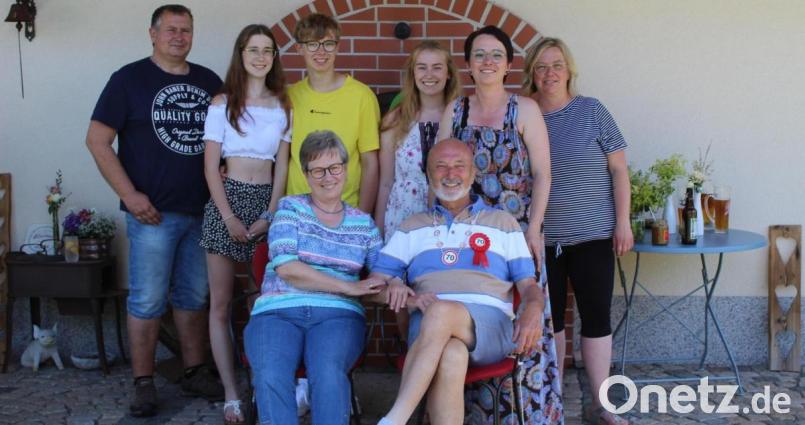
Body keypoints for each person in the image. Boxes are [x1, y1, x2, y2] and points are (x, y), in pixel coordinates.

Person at [85, 4, 223, 417]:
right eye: (171, 29)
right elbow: (96, 140)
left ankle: (194, 370)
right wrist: (129, 195)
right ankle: (143, 382)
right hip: (152, 215)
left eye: (186, 30)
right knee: (146, 301)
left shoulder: (208, 81)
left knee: (193, 297)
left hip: (202, 211)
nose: (179, 36)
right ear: (152, 33)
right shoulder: (127, 80)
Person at [371, 139, 552, 425]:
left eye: (459, 166)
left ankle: (395, 418)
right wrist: (399, 292)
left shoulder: (503, 222)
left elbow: (528, 286)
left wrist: (532, 309)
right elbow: (372, 289)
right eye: (441, 166)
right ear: (429, 175)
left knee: (441, 310)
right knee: (451, 354)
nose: (450, 173)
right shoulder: (411, 226)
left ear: (472, 174)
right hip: (427, 327)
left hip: (490, 327)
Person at [437, 26, 563, 423]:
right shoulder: (455, 111)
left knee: (523, 321)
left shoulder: (523, 109)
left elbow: (543, 173)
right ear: (469, 65)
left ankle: (528, 415)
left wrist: (535, 229)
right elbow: (437, 171)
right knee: (472, 320)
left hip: (515, 239)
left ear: (508, 64)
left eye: (496, 55)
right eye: (479, 55)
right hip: (467, 240)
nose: (487, 62)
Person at [523, 37, 633, 425]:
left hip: (593, 235)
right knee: (549, 321)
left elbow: (619, 169)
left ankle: (602, 405)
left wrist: (623, 221)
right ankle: (554, 399)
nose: (549, 73)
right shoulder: (524, 112)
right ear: (531, 72)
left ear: (569, 69)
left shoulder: (591, 111)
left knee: (596, 317)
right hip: (542, 240)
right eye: (541, 66)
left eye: (556, 65)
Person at [243, 131, 384, 425]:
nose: (327, 176)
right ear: (306, 174)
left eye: (334, 167)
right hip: (277, 312)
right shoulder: (289, 209)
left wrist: (395, 286)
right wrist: (349, 286)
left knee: (328, 372)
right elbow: (287, 268)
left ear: (346, 170)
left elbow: (381, 276)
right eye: (317, 169)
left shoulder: (363, 224)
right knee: (270, 372)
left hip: (338, 316)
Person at [199, 24, 291, 424]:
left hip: (264, 204)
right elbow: (209, 165)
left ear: (274, 57)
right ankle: (232, 394)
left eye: (267, 50)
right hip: (228, 200)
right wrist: (229, 216)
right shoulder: (223, 102)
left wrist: (270, 214)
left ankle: (260, 386)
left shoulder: (283, 104)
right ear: (241, 54)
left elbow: (283, 164)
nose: (260, 57)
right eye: (253, 49)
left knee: (261, 302)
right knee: (220, 304)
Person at [286, 13, 380, 212]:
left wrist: (361, 216)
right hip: (297, 211)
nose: (321, 51)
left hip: (345, 211)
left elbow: (370, 162)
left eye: (328, 43)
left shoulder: (361, 96)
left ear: (337, 47)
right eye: (312, 44)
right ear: (299, 48)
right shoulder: (290, 96)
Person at [374, 40, 460, 242]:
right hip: (401, 217)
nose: (429, 74)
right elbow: (385, 183)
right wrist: (377, 232)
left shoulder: (460, 117)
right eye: (422, 68)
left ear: (448, 74)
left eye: (437, 68)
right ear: (413, 74)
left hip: (448, 218)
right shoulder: (395, 120)